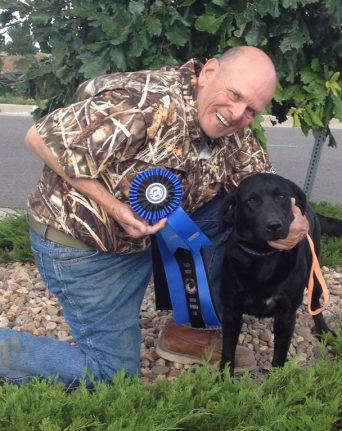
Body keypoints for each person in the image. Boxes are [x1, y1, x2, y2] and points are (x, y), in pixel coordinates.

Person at [0, 46, 308, 389]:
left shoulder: (229, 124)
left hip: (150, 233)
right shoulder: (141, 103)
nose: (237, 114)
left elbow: (261, 181)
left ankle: (191, 329)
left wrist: (296, 219)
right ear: (208, 73)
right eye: (234, 95)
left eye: (251, 109)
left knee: (239, 213)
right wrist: (114, 206)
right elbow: (40, 137)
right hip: (86, 251)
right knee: (110, 376)